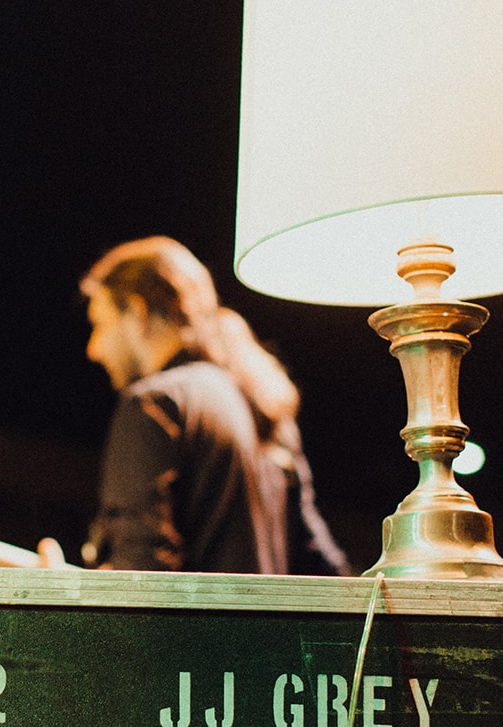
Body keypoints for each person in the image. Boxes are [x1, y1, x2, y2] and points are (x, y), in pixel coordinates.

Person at [79, 235, 350, 576]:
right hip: (268, 631)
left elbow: (142, 579)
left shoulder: (154, 405)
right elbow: (321, 560)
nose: (94, 348)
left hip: (198, 633)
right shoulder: (261, 406)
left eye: (100, 324)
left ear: (137, 311)